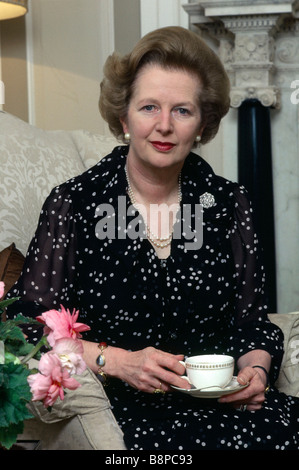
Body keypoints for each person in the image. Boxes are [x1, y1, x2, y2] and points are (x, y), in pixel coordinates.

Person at [7, 26, 299, 450]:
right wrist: (116, 361)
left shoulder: (229, 202)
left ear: (202, 124)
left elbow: (253, 321)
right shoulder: (75, 203)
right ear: (124, 117)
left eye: (182, 110)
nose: (164, 126)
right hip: (120, 413)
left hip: (222, 407)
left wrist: (255, 370)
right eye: (149, 107)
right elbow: (23, 327)